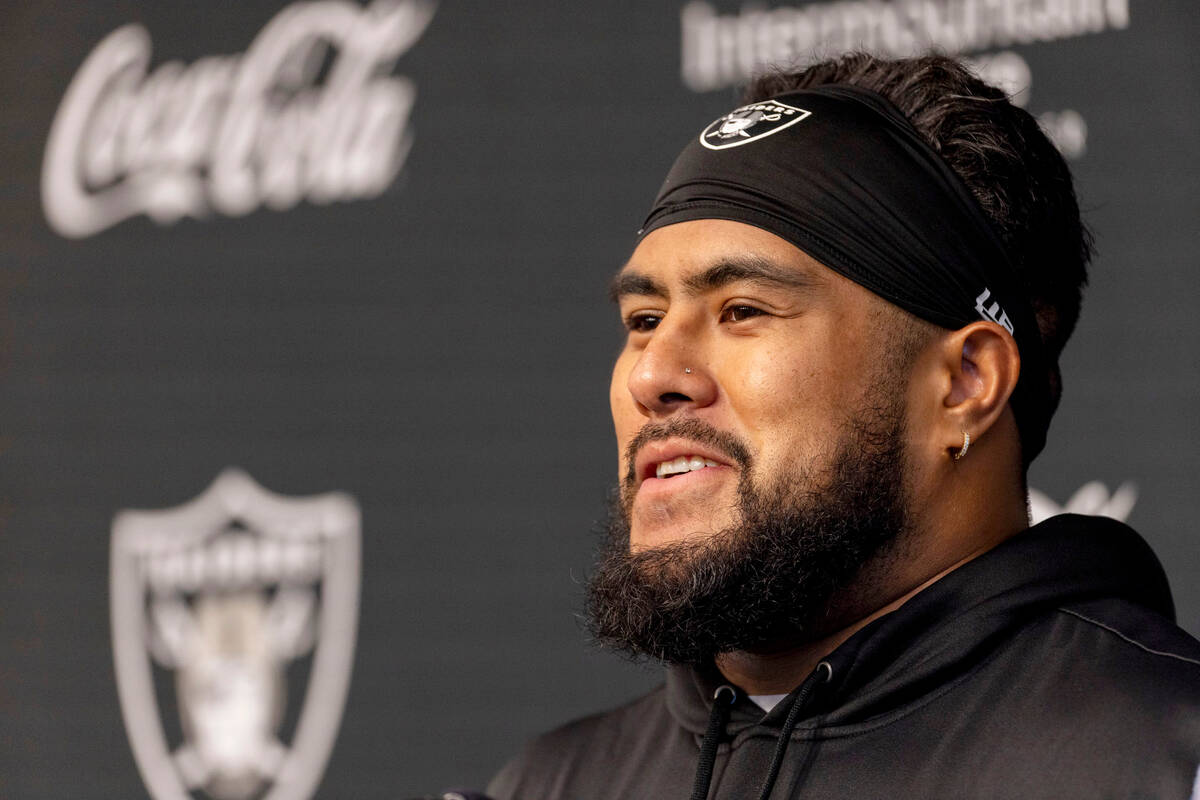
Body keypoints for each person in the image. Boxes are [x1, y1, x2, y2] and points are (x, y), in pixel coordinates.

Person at [487, 53, 1200, 799]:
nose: (650, 376)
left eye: (742, 311)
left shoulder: (1164, 762)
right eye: (643, 319)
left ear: (964, 384)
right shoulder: (546, 785)